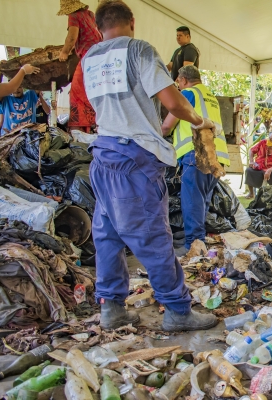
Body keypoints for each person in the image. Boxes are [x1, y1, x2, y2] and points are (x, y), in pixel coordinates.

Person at [82, 1, 218, 331]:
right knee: (153, 238)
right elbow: (172, 101)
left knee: (108, 237)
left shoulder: (89, 59)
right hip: (133, 160)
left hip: (103, 156)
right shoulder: (138, 49)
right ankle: (177, 312)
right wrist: (199, 120)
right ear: (132, 21)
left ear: (100, 27)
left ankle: (112, 308)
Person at [161, 65, 230, 256]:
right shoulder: (210, 96)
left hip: (198, 153)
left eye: (178, 83)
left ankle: (194, 245)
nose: (178, 87)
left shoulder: (189, 93)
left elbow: (167, 126)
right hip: (217, 157)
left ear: (183, 80)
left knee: (192, 201)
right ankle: (200, 243)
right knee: (202, 202)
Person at [58, 0, 103, 132]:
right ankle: (92, 124)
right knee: (91, 92)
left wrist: (64, 52)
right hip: (98, 56)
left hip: (88, 58)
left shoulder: (74, 16)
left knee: (77, 92)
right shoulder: (89, 14)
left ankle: (80, 128)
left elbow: (72, 37)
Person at [244, 131, 272, 199]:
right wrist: (251, 161)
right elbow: (251, 151)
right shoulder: (263, 143)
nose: (269, 140)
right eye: (269, 138)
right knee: (248, 170)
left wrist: (269, 170)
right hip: (259, 168)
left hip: (271, 170)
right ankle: (251, 193)